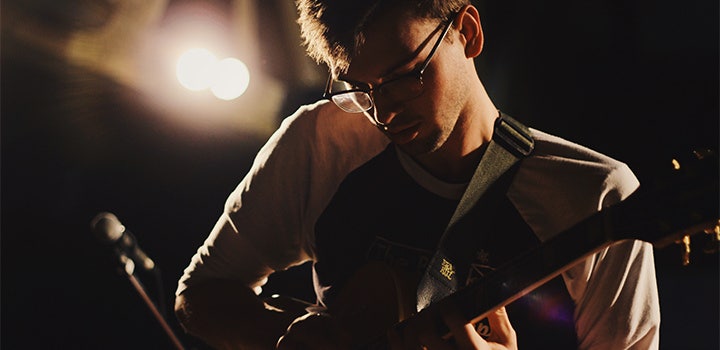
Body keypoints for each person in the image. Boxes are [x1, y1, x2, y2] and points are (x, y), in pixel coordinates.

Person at [174, 1, 660, 349]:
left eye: (406, 74)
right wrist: (293, 336)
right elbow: (200, 295)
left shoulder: (597, 197)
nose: (383, 111)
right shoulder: (323, 141)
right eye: (361, 87)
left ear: (466, 31)